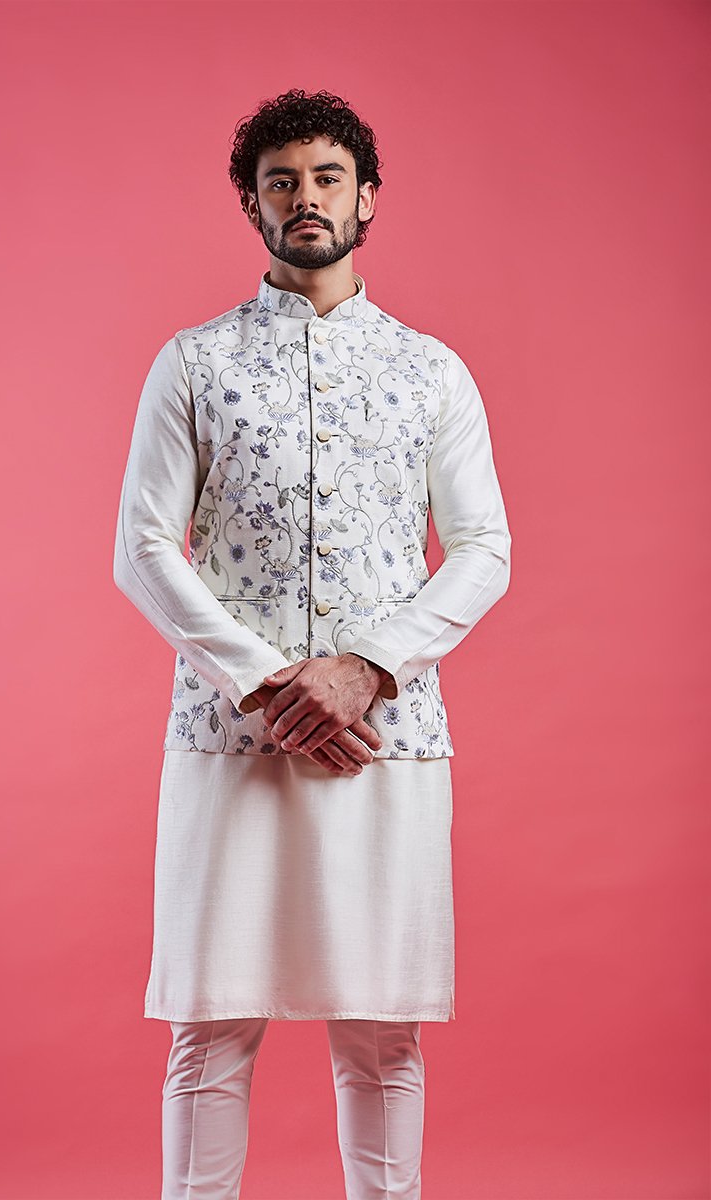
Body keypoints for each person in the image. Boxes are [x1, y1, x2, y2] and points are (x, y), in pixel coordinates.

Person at [113, 87, 512, 1200]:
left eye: (327, 178)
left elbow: (483, 547)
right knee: (208, 1030)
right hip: (229, 739)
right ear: (252, 204)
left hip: (381, 740)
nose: (306, 197)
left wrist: (363, 671)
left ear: (366, 198)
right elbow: (142, 546)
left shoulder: (430, 371)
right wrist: (264, 684)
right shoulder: (194, 363)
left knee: (383, 1033)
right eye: (280, 181)